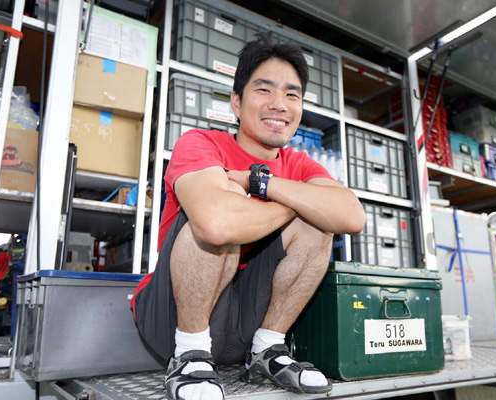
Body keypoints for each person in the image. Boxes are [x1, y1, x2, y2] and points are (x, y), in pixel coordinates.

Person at [131, 33, 366, 400]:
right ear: (237, 103)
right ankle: (190, 354)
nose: (279, 105)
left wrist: (262, 183)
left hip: (247, 325)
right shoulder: (201, 143)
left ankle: (267, 351)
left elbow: (351, 217)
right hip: (174, 316)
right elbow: (216, 223)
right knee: (227, 211)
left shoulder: (299, 164)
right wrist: (298, 199)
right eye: (264, 90)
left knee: (317, 223)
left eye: (292, 94)